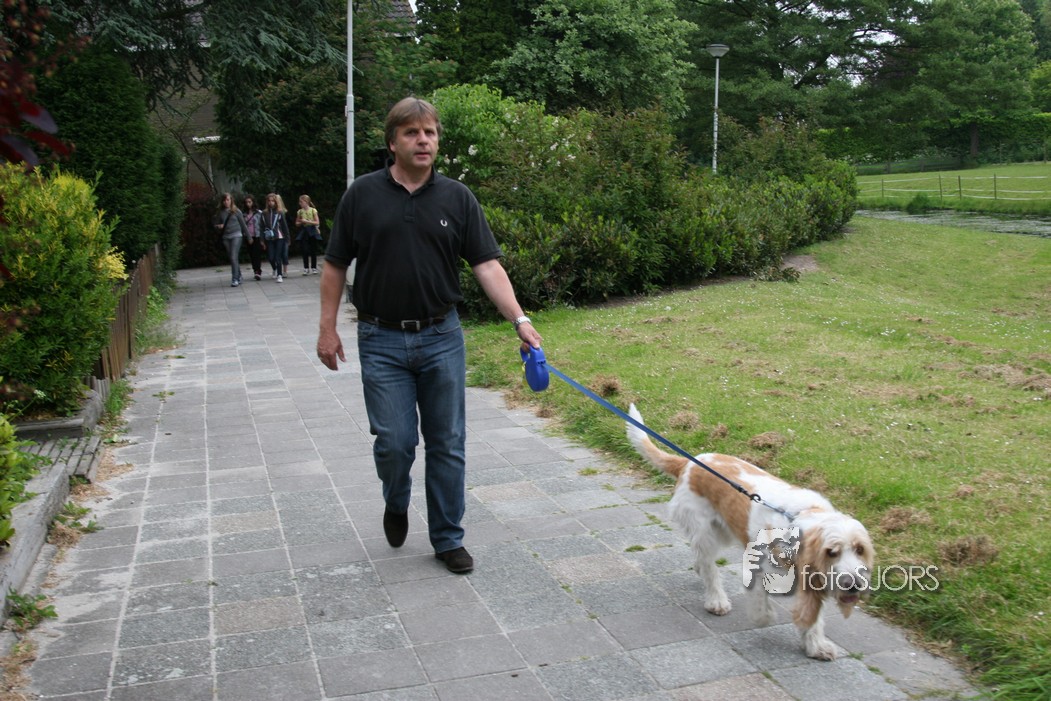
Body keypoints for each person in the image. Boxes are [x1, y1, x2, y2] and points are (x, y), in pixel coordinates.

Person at [316, 97, 542, 575]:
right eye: (412, 133)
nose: (423, 141)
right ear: (392, 142)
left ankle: (447, 538)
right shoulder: (362, 195)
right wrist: (327, 329)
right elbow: (335, 264)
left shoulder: (457, 198)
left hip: (442, 336)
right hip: (380, 338)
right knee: (394, 442)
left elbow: (486, 265)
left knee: (447, 442)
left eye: (430, 133)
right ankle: (396, 498)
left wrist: (519, 319)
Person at [214, 192, 248, 287]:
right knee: (232, 258)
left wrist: (249, 237)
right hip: (226, 237)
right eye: (224, 200)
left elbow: (243, 225)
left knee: (233, 256)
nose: (226, 202)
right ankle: (239, 275)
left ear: (231, 200)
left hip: (236, 235)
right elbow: (215, 224)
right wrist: (219, 226)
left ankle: (235, 278)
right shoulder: (220, 212)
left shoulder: (236, 211)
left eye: (228, 200)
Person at [262, 192, 290, 282]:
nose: (271, 203)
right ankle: (274, 268)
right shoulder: (264, 213)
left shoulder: (279, 212)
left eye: (272, 201)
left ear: (275, 202)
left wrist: (287, 238)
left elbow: (284, 226)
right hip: (269, 237)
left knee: (278, 256)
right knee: (271, 257)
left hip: (279, 237)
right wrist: (262, 240)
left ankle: (279, 275)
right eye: (269, 201)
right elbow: (262, 227)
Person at [295, 194, 322, 275]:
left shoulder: (313, 210)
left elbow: (317, 222)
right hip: (304, 231)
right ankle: (306, 268)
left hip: (312, 230)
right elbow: (297, 223)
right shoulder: (300, 211)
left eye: (301, 202)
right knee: (305, 250)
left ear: (306, 202)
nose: (300, 203)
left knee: (313, 250)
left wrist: (307, 221)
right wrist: (301, 222)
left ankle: (314, 267)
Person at [242, 194, 265, 281]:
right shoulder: (244, 214)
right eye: (246, 202)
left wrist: (262, 238)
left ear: (253, 202)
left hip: (257, 236)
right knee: (251, 254)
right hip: (248, 236)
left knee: (256, 254)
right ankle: (255, 269)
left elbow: (262, 225)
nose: (248, 204)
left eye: (249, 202)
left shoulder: (259, 213)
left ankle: (258, 271)